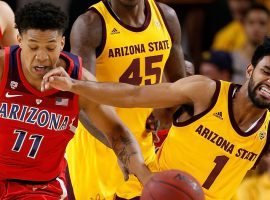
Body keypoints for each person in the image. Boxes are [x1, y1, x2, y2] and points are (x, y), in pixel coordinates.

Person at [43, 36, 270, 200]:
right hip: (151, 192)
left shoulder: (266, 130)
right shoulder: (206, 92)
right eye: (266, 72)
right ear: (250, 70)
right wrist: (75, 85)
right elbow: (133, 95)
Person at [0, 2, 151, 199]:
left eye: (51, 47)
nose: (42, 57)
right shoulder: (3, 67)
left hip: (39, 187)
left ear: (62, 43)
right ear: (19, 40)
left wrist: (143, 173)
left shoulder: (77, 80)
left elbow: (116, 131)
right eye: (33, 47)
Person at [66, 0, 186, 199]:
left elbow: (181, 88)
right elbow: (82, 102)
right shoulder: (90, 24)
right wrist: (122, 147)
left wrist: (165, 110)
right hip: (98, 150)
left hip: (145, 149)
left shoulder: (166, 17)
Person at [232, 3, 270, 84]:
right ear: (244, 25)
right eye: (251, 22)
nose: (256, 28)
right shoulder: (230, 59)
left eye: (262, 23)